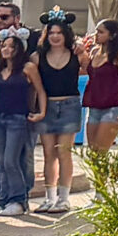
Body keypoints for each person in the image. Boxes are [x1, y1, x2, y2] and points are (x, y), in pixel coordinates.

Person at [31, 14, 80, 214]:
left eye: (59, 32)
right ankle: (49, 198)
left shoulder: (77, 53)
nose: (55, 36)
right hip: (47, 106)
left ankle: (64, 198)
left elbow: (93, 69)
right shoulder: (37, 56)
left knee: (64, 152)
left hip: (70, 105)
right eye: (51, 33)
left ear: (66, 34)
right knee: (48, 153)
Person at [0, 34, 39, 216]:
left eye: (11, 46)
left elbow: (40, 90)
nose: (6, 49)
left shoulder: (27, 68)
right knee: (1, 162)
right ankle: (4, 198)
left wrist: (41, 112)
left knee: (11, 160)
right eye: (4, 46)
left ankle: (19, 199)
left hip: (18, 118)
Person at [81, 20, 118, 159]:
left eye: (101, 32)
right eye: (96, 31)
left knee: (101, 151)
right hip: (94, 105)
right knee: (93, 151)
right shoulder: (94, 52)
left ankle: (102, 179)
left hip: (113, 106)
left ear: (112, 35)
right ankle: (96, 179)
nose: (96, 35)